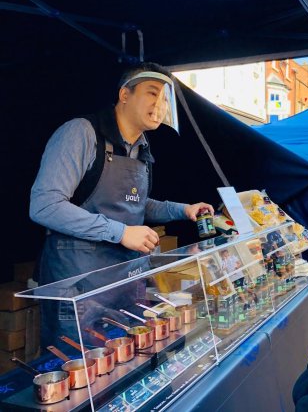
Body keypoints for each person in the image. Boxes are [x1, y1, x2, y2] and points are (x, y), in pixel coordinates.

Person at [30, 62, 214, 347]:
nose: (160, 104)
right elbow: (45, 205)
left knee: (122, 367)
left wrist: (183, 209)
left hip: (125, 281)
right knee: (78, 368)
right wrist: (121, 232)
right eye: (153, 93)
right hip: (79, 282)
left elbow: (136, 204)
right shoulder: (81, 133)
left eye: (165, 98)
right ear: (124, 95)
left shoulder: (142, 148)